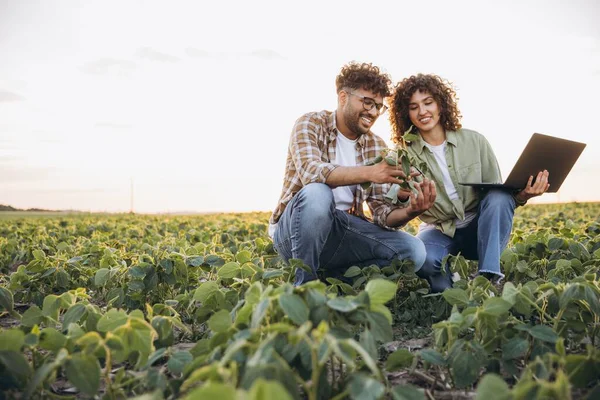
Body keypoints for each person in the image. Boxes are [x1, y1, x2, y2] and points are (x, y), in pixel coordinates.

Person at [269, 62, 437, 285]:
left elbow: (381, 214)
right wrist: (370, 173)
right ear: (343, 97)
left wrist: (410, 209)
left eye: (379, 106)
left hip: (343, 230)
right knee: (318, 193)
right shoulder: (310, 123)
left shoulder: (376, 145)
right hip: (295, 233)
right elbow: (311, 172)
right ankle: (305, 286)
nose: (374, 112)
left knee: (413, 251)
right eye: (367, 102)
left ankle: (331, 282)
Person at [388, 74, 549, 293]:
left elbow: (499, 198)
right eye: (414, 107)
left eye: (428, 103)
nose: (423, 112)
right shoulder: (403, 156)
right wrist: (404, 195)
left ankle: (489, 277)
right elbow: (394, 204)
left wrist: (522, 196)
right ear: (406, 114)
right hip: (438, 229)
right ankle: (449, 284)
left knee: (498, 196)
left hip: (477, 227)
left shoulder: (475, 141)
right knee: (426, 261)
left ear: (441, 104)